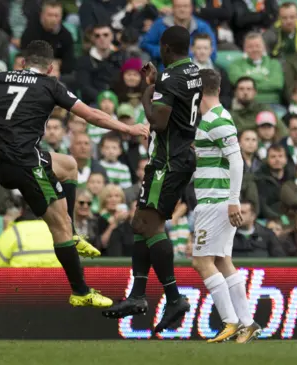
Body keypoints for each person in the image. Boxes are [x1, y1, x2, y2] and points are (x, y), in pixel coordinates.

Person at [0, 40, 149, 308]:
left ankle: (72, 234)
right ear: (50, 68)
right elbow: (93, 115)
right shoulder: (50, 85)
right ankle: (81, 291)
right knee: (58, 227)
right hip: (27, 165)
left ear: (23, 62)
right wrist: (128, 129)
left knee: (69, 165)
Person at [102, 26, 199, 333]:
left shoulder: (171, 78)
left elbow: (158, 121)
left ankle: (172, 298)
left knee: (150, 225)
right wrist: (159, 82)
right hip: (178, 157)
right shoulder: (194, 71)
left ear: (166, 47)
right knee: (140, 224)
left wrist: (147, 92)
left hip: (167, 161)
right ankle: (138, 295)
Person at [188, 69, 261, 344]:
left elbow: (237, 160)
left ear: (197, 91)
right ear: (218, 90)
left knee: (201, 261)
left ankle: (230, 321)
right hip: (214, 199)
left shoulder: (219, 120)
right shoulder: (209, 119)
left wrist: (233, 201)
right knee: (221, 260)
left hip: (216, 201)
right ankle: (247, 323)